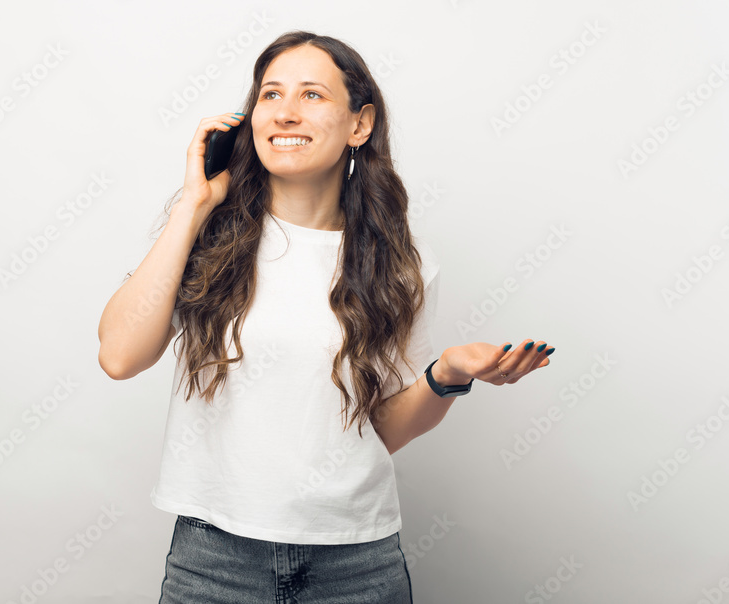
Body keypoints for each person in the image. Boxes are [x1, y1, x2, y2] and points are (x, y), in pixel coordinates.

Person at [97, 30, 555, 603]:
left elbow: (378, 431)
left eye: (312, 95)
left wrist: (447, 374)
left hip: (356, 566)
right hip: (214, 562)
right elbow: (119, 356)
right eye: (270, 95)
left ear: (359, 125)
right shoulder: (205, 235)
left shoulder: (403, 264)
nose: (285, 113)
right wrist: (192, 206)